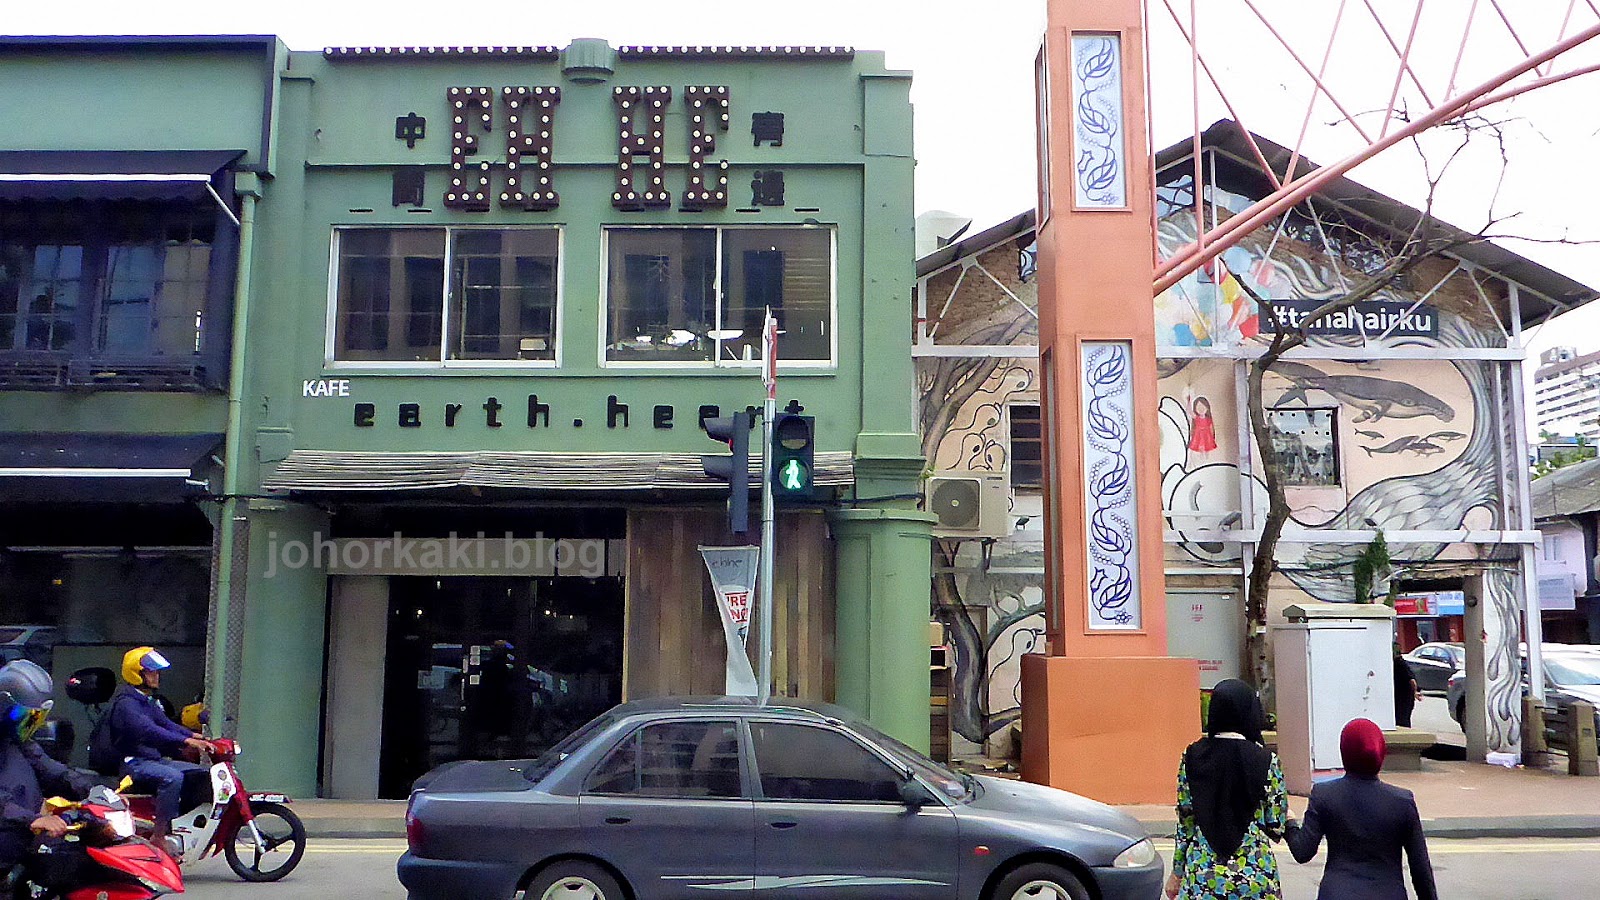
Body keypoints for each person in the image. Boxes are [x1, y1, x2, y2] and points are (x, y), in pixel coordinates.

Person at [1286, 718, 1438, 900]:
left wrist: (1290, 823)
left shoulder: (1324, 795)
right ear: (1381, 752)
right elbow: (1421, 870)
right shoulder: (1402, 801)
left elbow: (1303, 852)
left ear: (1344, 752)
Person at [1166, 679, 1288, 899]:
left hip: (1202, 877)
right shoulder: (1266, 760)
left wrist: (1177, 873)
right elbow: (1275, 826)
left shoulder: (1191, 756)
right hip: (1255, 876)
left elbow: (1186, 822)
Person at [105, 647, 213, 851]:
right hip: (134, 763)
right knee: (172, 777)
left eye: (156, 672)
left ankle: (180, 823)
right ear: (137, 674)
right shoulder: (127, 704)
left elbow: (165, 723)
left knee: (202, 773)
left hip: (152, 760)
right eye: (151, 672)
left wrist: (195, 736)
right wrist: (186, 741)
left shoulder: (144, 700)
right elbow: (150, 730)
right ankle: (160, 834)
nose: (156, 676)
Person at [0, 660, 94, 875]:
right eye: (25, 716)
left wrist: (96, 792)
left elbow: (52, 770)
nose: (31, 723)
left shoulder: (17, 741)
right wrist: (33, 819)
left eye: (36, 717)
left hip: (23, 846)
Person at [1392, 652, 1420, 728]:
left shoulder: (1400, 664)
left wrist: (1414, 692)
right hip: (1402, 697)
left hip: (1404, 697)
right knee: (1403, 718)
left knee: (1402, 718)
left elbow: (1412, 681)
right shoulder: (1400, 663)